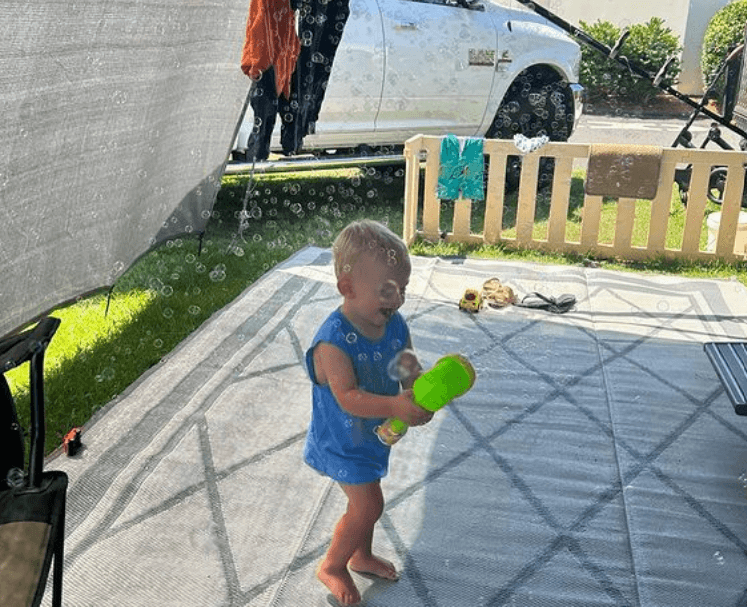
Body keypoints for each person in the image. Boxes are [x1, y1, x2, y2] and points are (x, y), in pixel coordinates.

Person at [304, 219, 433, 605]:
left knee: (368, 498)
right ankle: (332, 565)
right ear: (347, 288)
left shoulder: (393, 324)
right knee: (369, 504)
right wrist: (395, 404)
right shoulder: (333, 341)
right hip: (341, 437)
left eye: (403, 289)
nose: (398, 299)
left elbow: (406, 363)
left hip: (374, 435)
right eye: (387, 290)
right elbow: (347, 396)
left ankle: (360, 555)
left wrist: (417, 388)